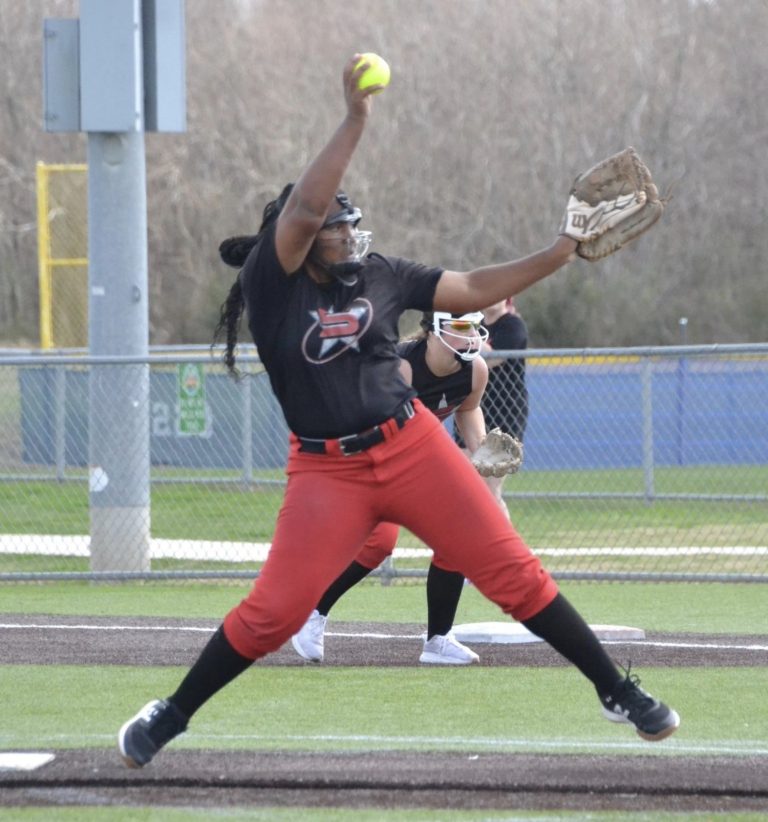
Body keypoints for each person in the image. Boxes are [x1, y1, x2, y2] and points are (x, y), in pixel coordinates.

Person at [117, 54, 679, 769]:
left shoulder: (380, 276)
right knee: (273, 614)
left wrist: (560, 253)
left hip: (411, 444)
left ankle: (615, 690)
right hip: (327, 471)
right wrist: (356, 118)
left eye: (354, 226)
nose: (350, 236)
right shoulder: (275, 282)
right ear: (302, 239)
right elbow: (302, 208)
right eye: (336, 228)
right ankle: (173, 711)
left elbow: (472, 284)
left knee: (513, 571)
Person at [291, 310, 495, 666]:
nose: (472, 336)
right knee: (379, 544)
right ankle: (311, 610)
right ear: (433, 331)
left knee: (458, 535)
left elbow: (468, 409)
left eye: (474, 327)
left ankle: (438, 641)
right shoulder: (398, 368)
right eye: (460, 327)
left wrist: (483, 449)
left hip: (415, 458)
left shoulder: (476, 369)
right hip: (365, 454)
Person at [479, 297, 529, 514]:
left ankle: (505, 545)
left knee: (490, 488)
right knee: (468, 483)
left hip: (506, 411)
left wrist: (468, 341)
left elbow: (491, 359)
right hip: (475, 410)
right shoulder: (475, 325)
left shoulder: (512, 324)